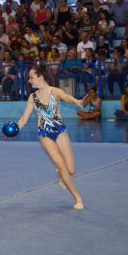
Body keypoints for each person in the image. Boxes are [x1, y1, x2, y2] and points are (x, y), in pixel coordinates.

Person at [14, 66, 84, 210]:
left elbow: (66, 97)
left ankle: (59, 172)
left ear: (40, 77)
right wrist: (14, 130)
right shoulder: (32, 98)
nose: (29, 80)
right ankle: (77, 197)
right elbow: (23, 119)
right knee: (62, 165)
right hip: (44, 134)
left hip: (59, 131)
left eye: (31, 77)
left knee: (71, 170)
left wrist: (76, 101)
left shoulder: (55, 91)